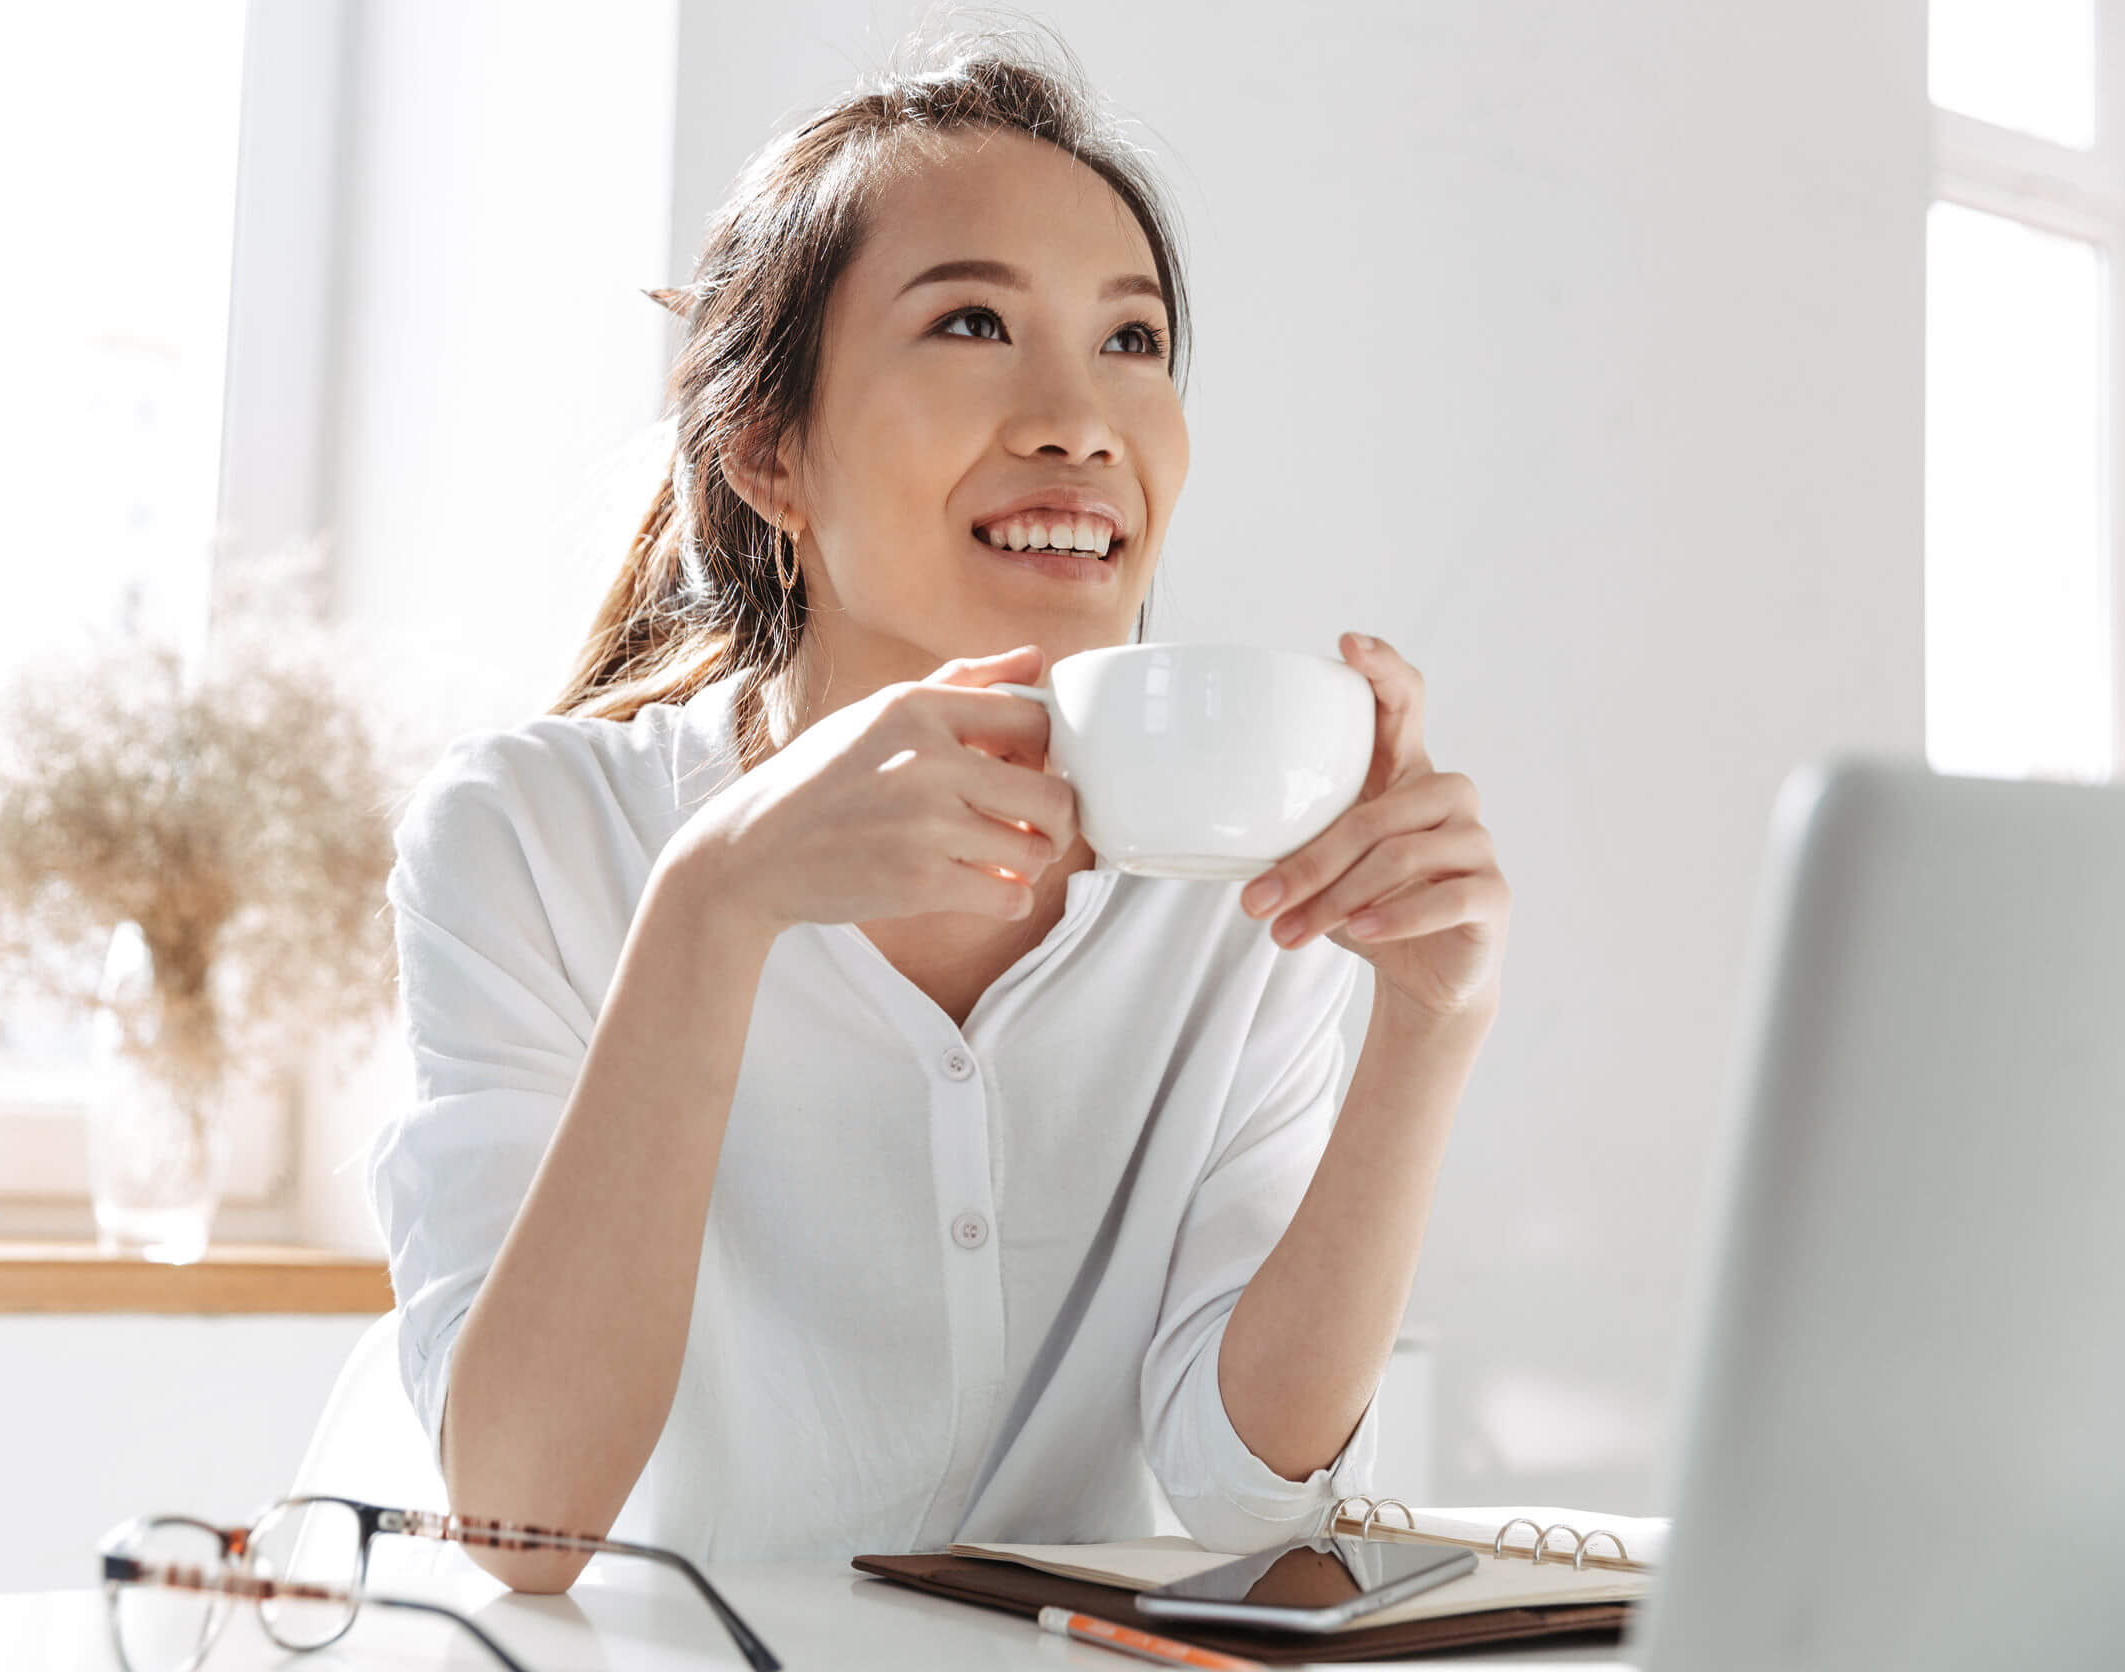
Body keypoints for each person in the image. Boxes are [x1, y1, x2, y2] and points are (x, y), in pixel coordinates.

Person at [365, 20, 1508, 1596]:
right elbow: (525, 1530)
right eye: (974, 321)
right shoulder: (532, 839)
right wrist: (716, 907)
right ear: (768, 448)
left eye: (1132, 340)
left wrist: (1425, 1033)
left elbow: (1248, 1500)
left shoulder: (1245, 884)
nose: (1081, 420)